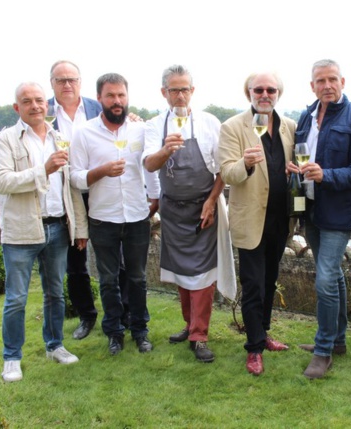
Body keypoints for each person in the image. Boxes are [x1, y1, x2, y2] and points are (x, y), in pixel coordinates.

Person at [0, 82, 87, 382]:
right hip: (21, 232)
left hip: (58, 227)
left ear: (46, 105)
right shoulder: (6, 140)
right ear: (16, 107)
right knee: (17, 298)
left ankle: (54, 345)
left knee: (55, 294)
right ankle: (11, 357)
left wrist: (79, 227)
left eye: (38, 101)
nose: (34, 106)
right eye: (26, 101)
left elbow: (70, 186)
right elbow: (1, 182)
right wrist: (42, 170)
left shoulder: (59, 138)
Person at [288, 59, 351, 379]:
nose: (326, 85)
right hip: (309, 207)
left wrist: (326, 174)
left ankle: (323, 350)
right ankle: (338, 340)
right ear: (312, 85)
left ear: (343, 82)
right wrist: (294, 170)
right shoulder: (306, 116)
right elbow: (299, 154)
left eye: (332, 80)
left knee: (324, 278)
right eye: (320, 81)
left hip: (340, 211)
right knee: (334, 275)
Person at [143, 65, 236, 363]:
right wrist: (165, 150)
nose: (180, 95)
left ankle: (200, 335)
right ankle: (189, 324)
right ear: (164, 93)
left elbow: (223, 168)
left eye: (185, 89)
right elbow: (148, 164)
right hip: (172, 211)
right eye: (174, 90)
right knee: (182, 273)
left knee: (203, 274)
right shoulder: (155, 126)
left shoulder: (209, 123)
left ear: (193, 91)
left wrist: (211, 201)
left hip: (203, 210)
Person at [70, 73, 159, 356]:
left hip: (136, 215)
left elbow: (149, 167)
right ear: (99, 98)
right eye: (111, 96)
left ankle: (140, 330)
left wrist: (154, 198)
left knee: (138, 279)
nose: (117, 101)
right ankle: (114, 332)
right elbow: (75, 177)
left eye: (121, 95)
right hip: (102, 218)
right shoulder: (84, 133)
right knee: (108, 280)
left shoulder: (140, 130)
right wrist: (101, 172)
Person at [218, 72, 295, 376]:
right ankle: (253, 349)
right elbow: (227, 174)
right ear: (248, 92)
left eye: (271, 89)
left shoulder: (289, 126)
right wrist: (246, 164)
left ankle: (263, 333)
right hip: (250, 219)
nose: (265, 94)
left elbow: (292, 168)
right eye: (258, 89)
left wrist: (295, 171)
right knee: (252, 285)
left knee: (268, 281)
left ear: (279, 93)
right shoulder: (233, 127)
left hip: (279, 219)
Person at [48, 60, 102, 340]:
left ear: (80, 82)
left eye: (72, 79)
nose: (67, 84)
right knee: (75, 262)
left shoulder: (98, 108)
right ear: (52, 84)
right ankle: (86, 316)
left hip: (100, 188)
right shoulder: (42, 111)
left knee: (114, 258)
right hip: (65, 194)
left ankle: (124, 314)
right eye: (60, 80)